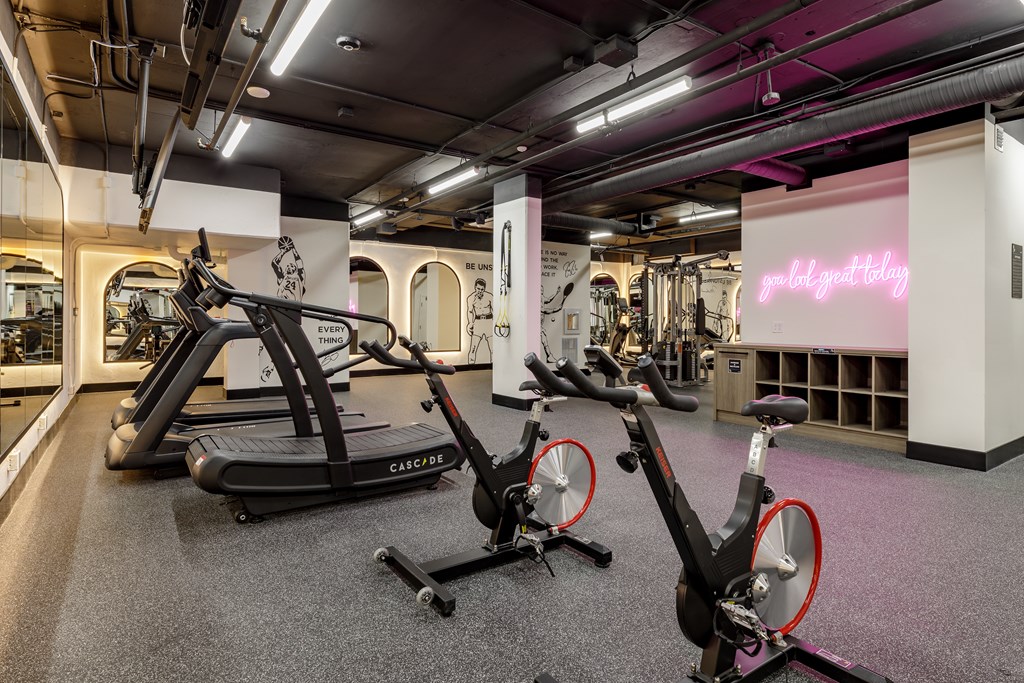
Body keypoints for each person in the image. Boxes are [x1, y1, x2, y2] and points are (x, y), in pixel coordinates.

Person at [466, 278, 493, 364]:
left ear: (484, 289)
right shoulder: (471, 298)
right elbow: (470, 311)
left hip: (489, 321)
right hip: (478, 322)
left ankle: (495, 369)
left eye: (482, 289)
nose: (480, 291)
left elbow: (494, 310)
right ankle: (470, 367)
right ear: (475, 287)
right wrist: (470, 323)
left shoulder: (489, 296)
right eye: (478, 289)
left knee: (493, 349)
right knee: (473, 348)